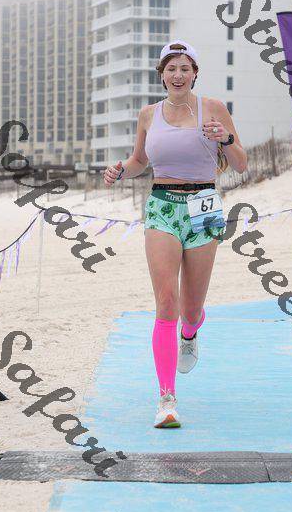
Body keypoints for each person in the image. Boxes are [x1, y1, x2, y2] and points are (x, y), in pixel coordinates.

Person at [104, 40, 247, 428]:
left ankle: (190, 332)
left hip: (204, 205)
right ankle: (167, 399)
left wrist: (226, 139)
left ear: (195, 73)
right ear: (162, 75)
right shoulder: (148, 114)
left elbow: (240, 164)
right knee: (166, 302)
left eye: (185, 68)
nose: (178, 75)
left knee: (190, 309)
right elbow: (139, 161)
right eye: (171, 68)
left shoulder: (213, 108)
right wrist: (121, 170)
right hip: (162, 206)